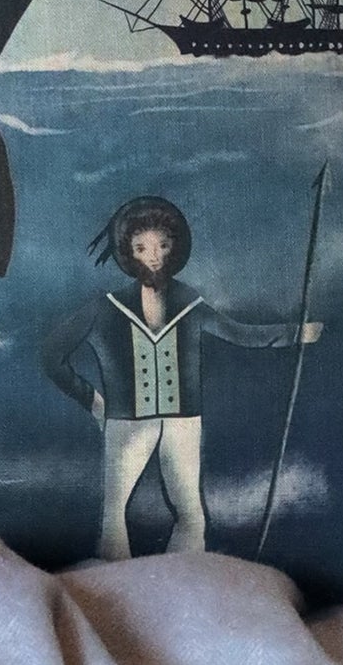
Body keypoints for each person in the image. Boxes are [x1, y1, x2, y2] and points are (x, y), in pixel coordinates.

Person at [39, 194, 320, 560]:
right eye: (142, 247)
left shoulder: (191, 305)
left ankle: (182, 588)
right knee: (113, 517)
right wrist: (91, 399)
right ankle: (115, 593)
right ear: (127, 251)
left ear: (174, 249)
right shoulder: (104, 309)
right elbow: (51, 355)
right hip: (126, 424)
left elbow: (240, 334)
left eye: (162, 245)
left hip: (184, 422)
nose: (153, 255)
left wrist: (297, 332)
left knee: (191, 516)